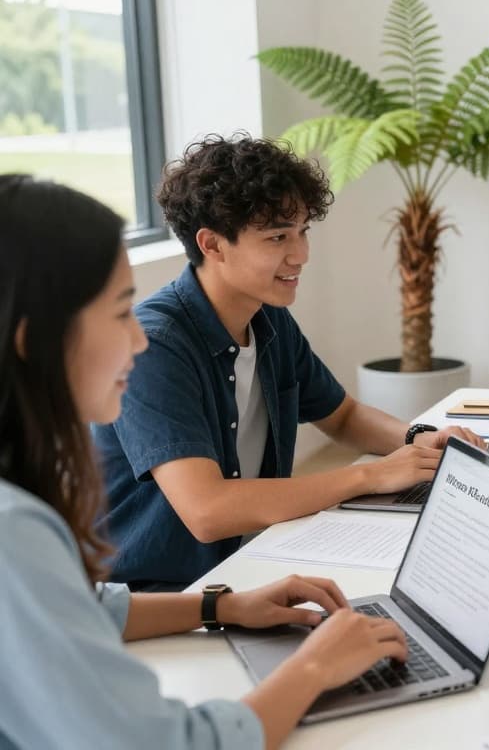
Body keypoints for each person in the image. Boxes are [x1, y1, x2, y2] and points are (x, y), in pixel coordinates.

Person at [0, 174, 409, 749]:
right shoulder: (13, 530)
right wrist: (315, 667)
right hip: (169, 576)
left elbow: (82, 605)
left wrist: (223, 606)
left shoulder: (19, 512)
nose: (135, 340)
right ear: (33, 338)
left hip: (214, 581)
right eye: (118, 313)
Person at [93, 134, 482, 590]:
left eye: (302, 232)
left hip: (253, 561)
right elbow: (208, 510)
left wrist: (419, 439)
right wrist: (370, 476)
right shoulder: (155, 347)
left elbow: (343, 416)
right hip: (162, 594)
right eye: (278, 237)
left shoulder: (268, 318)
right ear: (213, 245)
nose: (301, 255)